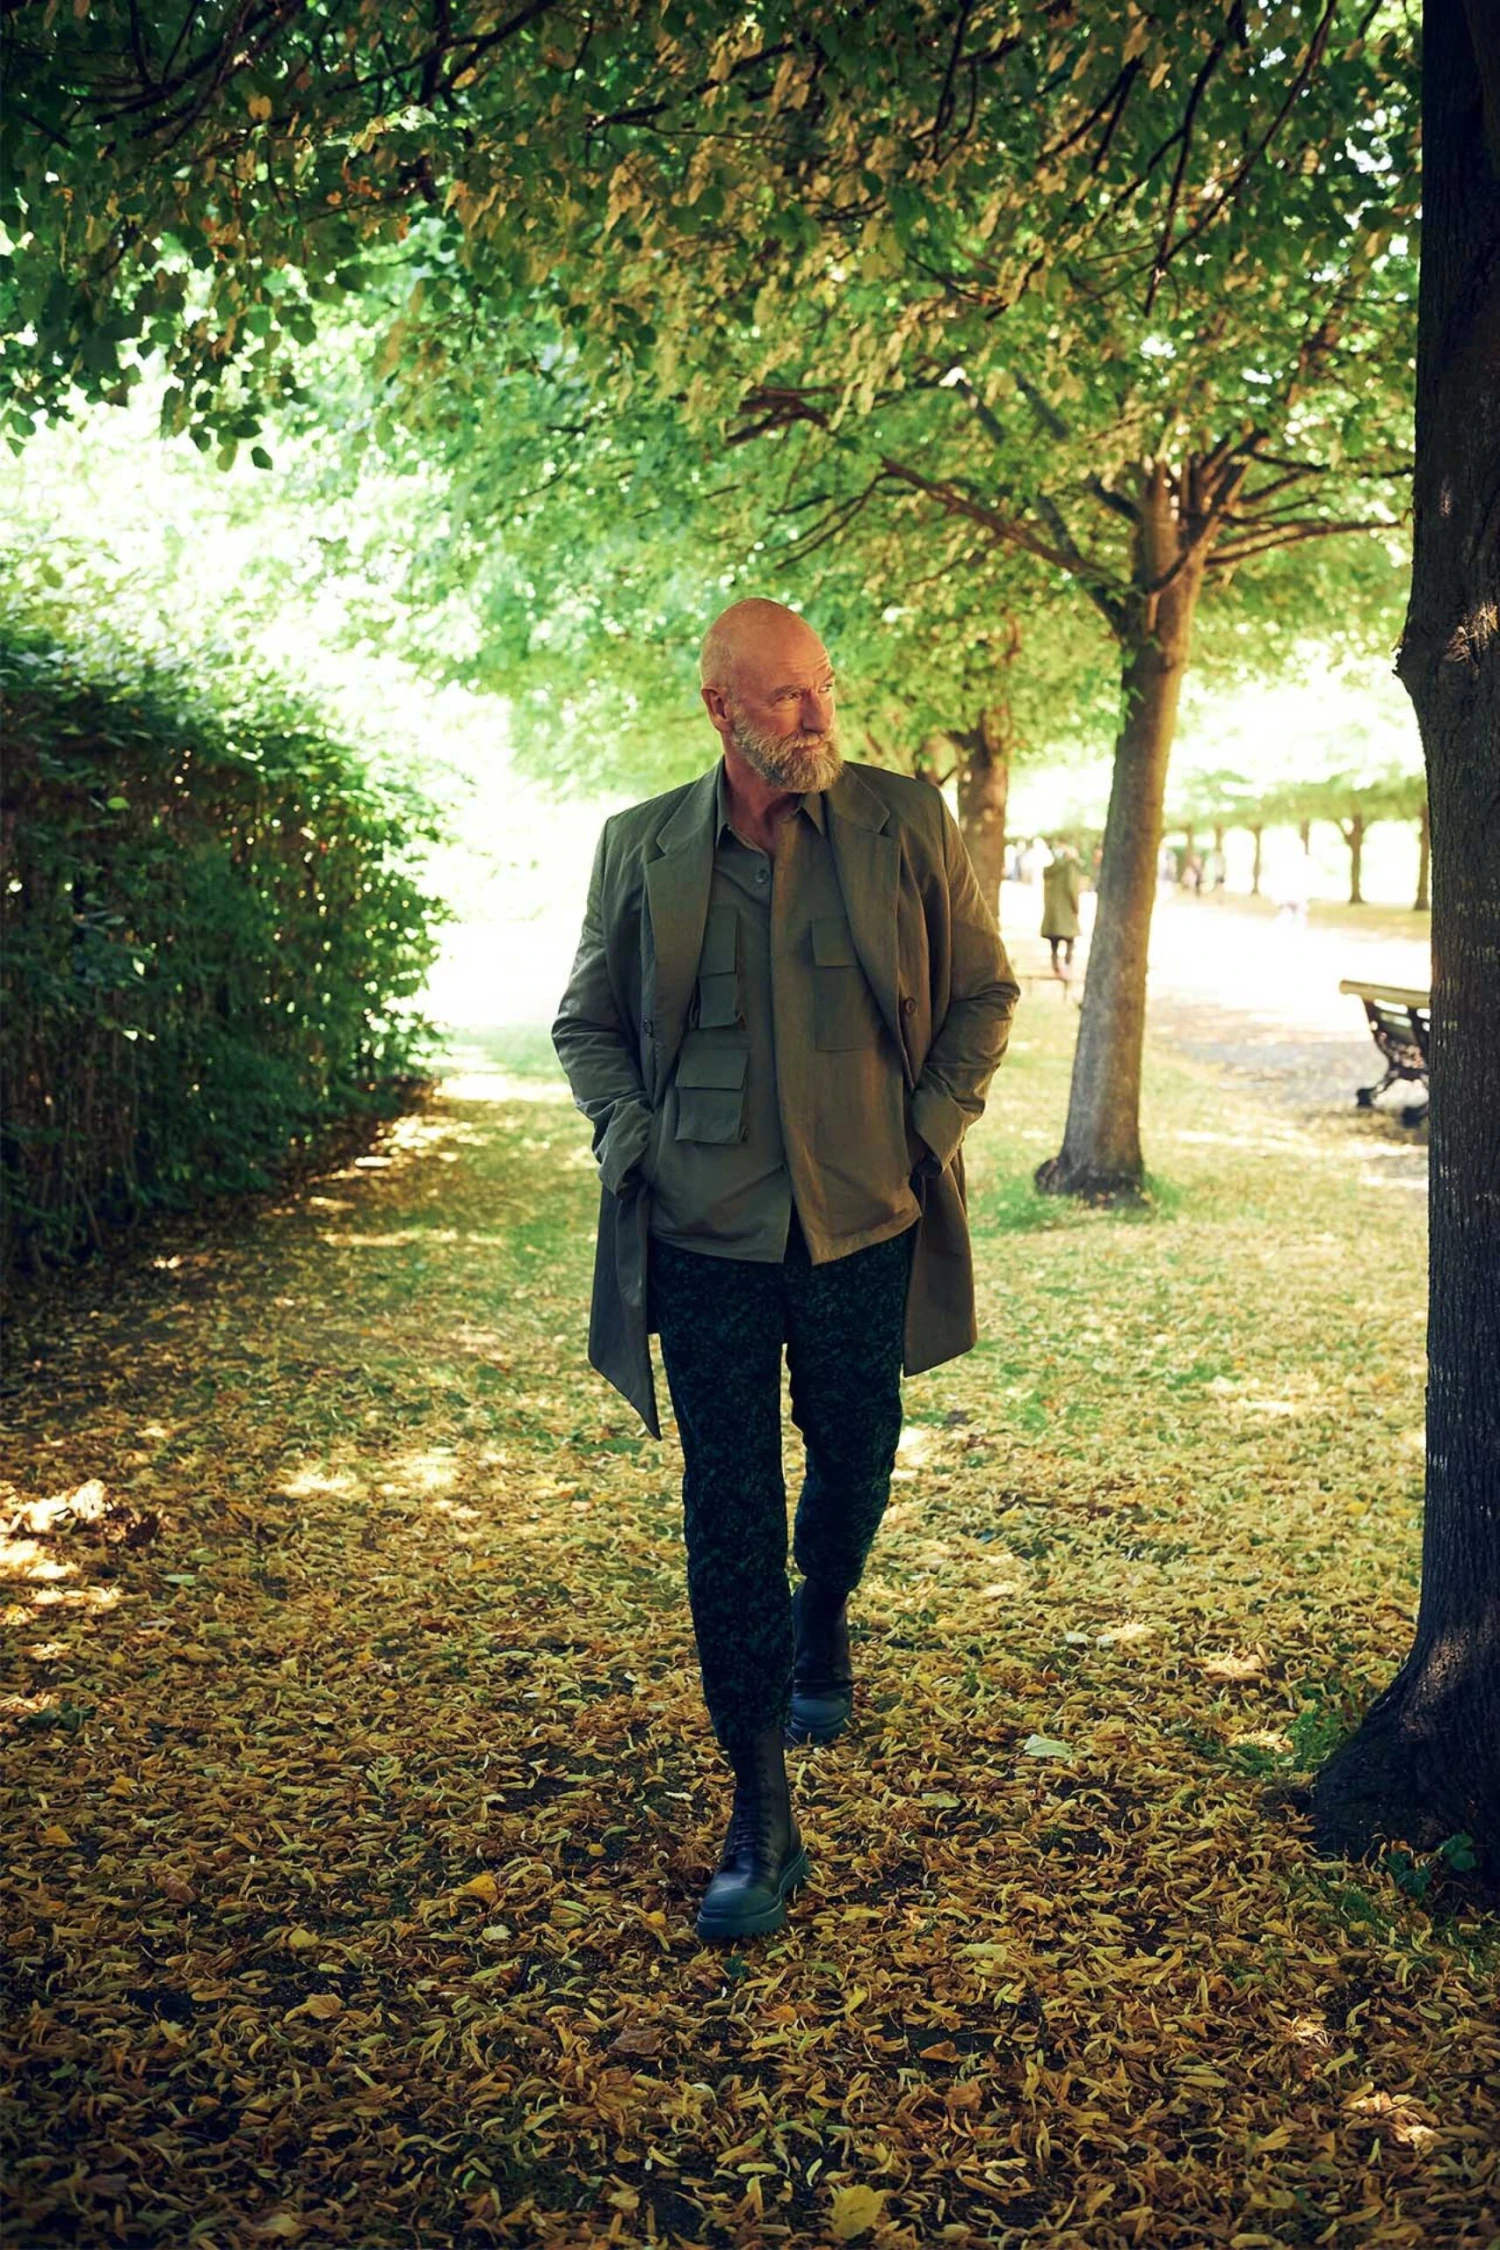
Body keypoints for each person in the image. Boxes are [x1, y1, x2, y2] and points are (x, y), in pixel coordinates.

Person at [552, 598, 1020, 1945]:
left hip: (865, 1222)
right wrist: (634, 1139)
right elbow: (586, 1022)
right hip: (702, 1236)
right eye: (790, 698)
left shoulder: (902, 822)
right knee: (728, 1511)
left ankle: (828, 1610)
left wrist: (923, 1133)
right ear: (722, 710)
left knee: (858, 1453)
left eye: (825, 688)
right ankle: (759, 1805)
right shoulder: (641, 845)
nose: (821, 716)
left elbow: (985, 992)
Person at [1040, 842, 1082, 974]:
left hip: (1053, 908)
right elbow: (1072, 888)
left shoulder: (1053, 867)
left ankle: (1055, 964)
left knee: (1054, 939)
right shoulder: (1071, 867)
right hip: (1066, 908)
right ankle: (1068, 964)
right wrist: (1076, 906)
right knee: (1070, 937)